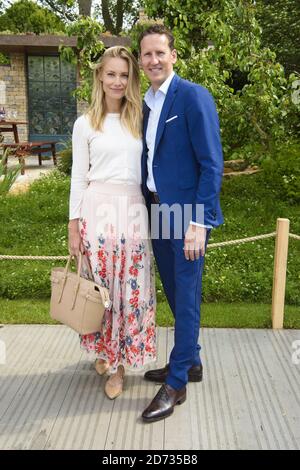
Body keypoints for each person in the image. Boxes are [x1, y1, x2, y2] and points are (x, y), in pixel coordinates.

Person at [139, 25, 224, 422]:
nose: (153, 60)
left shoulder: (192, 96)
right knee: (175, 292)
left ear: (173, 55)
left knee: (186, 297)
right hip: (158, 211)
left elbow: (211, 164)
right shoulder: (147, 101)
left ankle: (176, 383)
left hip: (186, 216)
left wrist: (200, 222)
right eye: (146, 55)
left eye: (160, 53)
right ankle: (190, 362)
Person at [68, 46, 156, 400]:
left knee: (128, 294)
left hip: (132, 212)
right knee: (101, 294)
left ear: (131, 79)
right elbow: (78, 178)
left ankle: (119, 367)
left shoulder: (141, 120)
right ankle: (106, 352)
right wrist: (74, 225)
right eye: (111, 74)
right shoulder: (84, 123)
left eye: (124, 75)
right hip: (96, 214)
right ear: (100, 77)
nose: (118, 81)